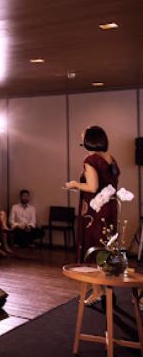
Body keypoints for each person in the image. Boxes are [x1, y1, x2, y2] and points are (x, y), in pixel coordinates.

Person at [66, 125, 120, 306]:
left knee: (93, 249)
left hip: (95, 211)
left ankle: (97, 292)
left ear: (90, 140)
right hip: (109, 208)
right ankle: (104, 289)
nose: (81, 139)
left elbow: (92, 187)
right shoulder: (110, 158)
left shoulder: (90, 159)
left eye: (83, 136)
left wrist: (74, 184)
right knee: (105, 248)